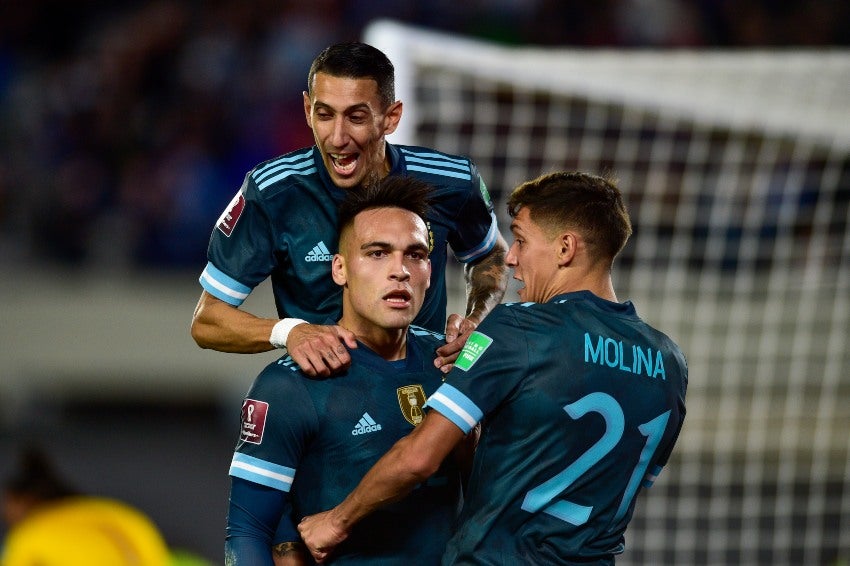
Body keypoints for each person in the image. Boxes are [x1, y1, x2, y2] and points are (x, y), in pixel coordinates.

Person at [297, 171, 688, 565]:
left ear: (565, 248)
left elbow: (419, 459)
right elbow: (629, 476)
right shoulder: (670, 362)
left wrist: (335, 521)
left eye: (520, 239)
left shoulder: (518, 327)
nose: (512, 258)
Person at [191, 41, 508, 377]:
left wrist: (477, 318)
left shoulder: (452, 182)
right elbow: (208, 320)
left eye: (356, 117)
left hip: (427, 396)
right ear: (306, 109)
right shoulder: (272, 192)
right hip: (326, 404)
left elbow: (490, 254)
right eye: (324, 115)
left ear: (391, 117)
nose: (338, 138)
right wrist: (290, 331)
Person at [224, 177, 473, 565]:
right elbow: (247, 533)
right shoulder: (288, 385)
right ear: (339, 269)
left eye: (415, 255)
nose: (400, 271)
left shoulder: (452, 363)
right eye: (377, 253)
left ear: (429, 269)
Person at [1, 447, 171, 566]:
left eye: (9, 504)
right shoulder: (121, 513)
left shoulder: (33, 532)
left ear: (27, 500)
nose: (5, 514)